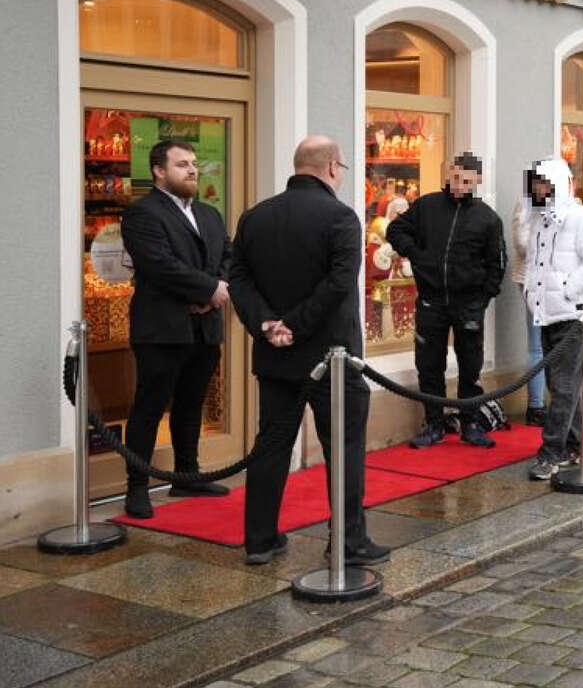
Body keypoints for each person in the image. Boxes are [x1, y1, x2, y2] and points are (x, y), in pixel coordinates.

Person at [229, 135, 387, 566]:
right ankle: (350, 542)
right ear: (333, 167)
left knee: (272, 445)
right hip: (331, 357)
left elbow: (237, 278)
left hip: (276, 355)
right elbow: (339, 285)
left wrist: (267, 324)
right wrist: (293, 326)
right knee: (344, 447)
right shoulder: (341, 218)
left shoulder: (254, 217)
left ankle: (259, 539)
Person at [119, 139, 232, 519]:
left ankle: (187, 475)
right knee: (150, 407)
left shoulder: (209, 213)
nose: (193, 170)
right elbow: (158, 265)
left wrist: (218, 288)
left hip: (205, 327)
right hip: (162, 329)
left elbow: (228, 257)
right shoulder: (142, 213)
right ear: (159, 171)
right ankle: (136, 487)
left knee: (191, 402)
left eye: (194, 163)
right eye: (182, 164)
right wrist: (208, 289)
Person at [387, 152, 507, 449]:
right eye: (455, 177)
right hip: (430, 301)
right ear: (448, 174)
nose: (459, 184)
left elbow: (497, 264)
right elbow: (395, 230)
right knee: (429, 365)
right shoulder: (427, 206)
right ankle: (434, 425)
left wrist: (483, 299)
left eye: (466, 180)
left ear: (476, 181)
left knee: (470, 366)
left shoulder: (488, 218)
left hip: (468, 304)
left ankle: (470, 425)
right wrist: (415, 253)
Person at [521, 158, 583, 480]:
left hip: (572, 315)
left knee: (564, 387)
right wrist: (534, 297)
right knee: (565, 387)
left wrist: (569, 291)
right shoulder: (539, 221)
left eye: (544, 184)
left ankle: (551, 453)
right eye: (535, 185)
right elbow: (533, 263)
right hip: (546, 314)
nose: (538, 190)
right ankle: (574, 445)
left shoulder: (582, 218)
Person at [510, 197, 546, 427]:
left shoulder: (566, 201)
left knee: (553, 345)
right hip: (533, 279)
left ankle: (550, 402)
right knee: (537, 347)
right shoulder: (526, 200)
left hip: (558, 280)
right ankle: (536, 406)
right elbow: (521, 242)